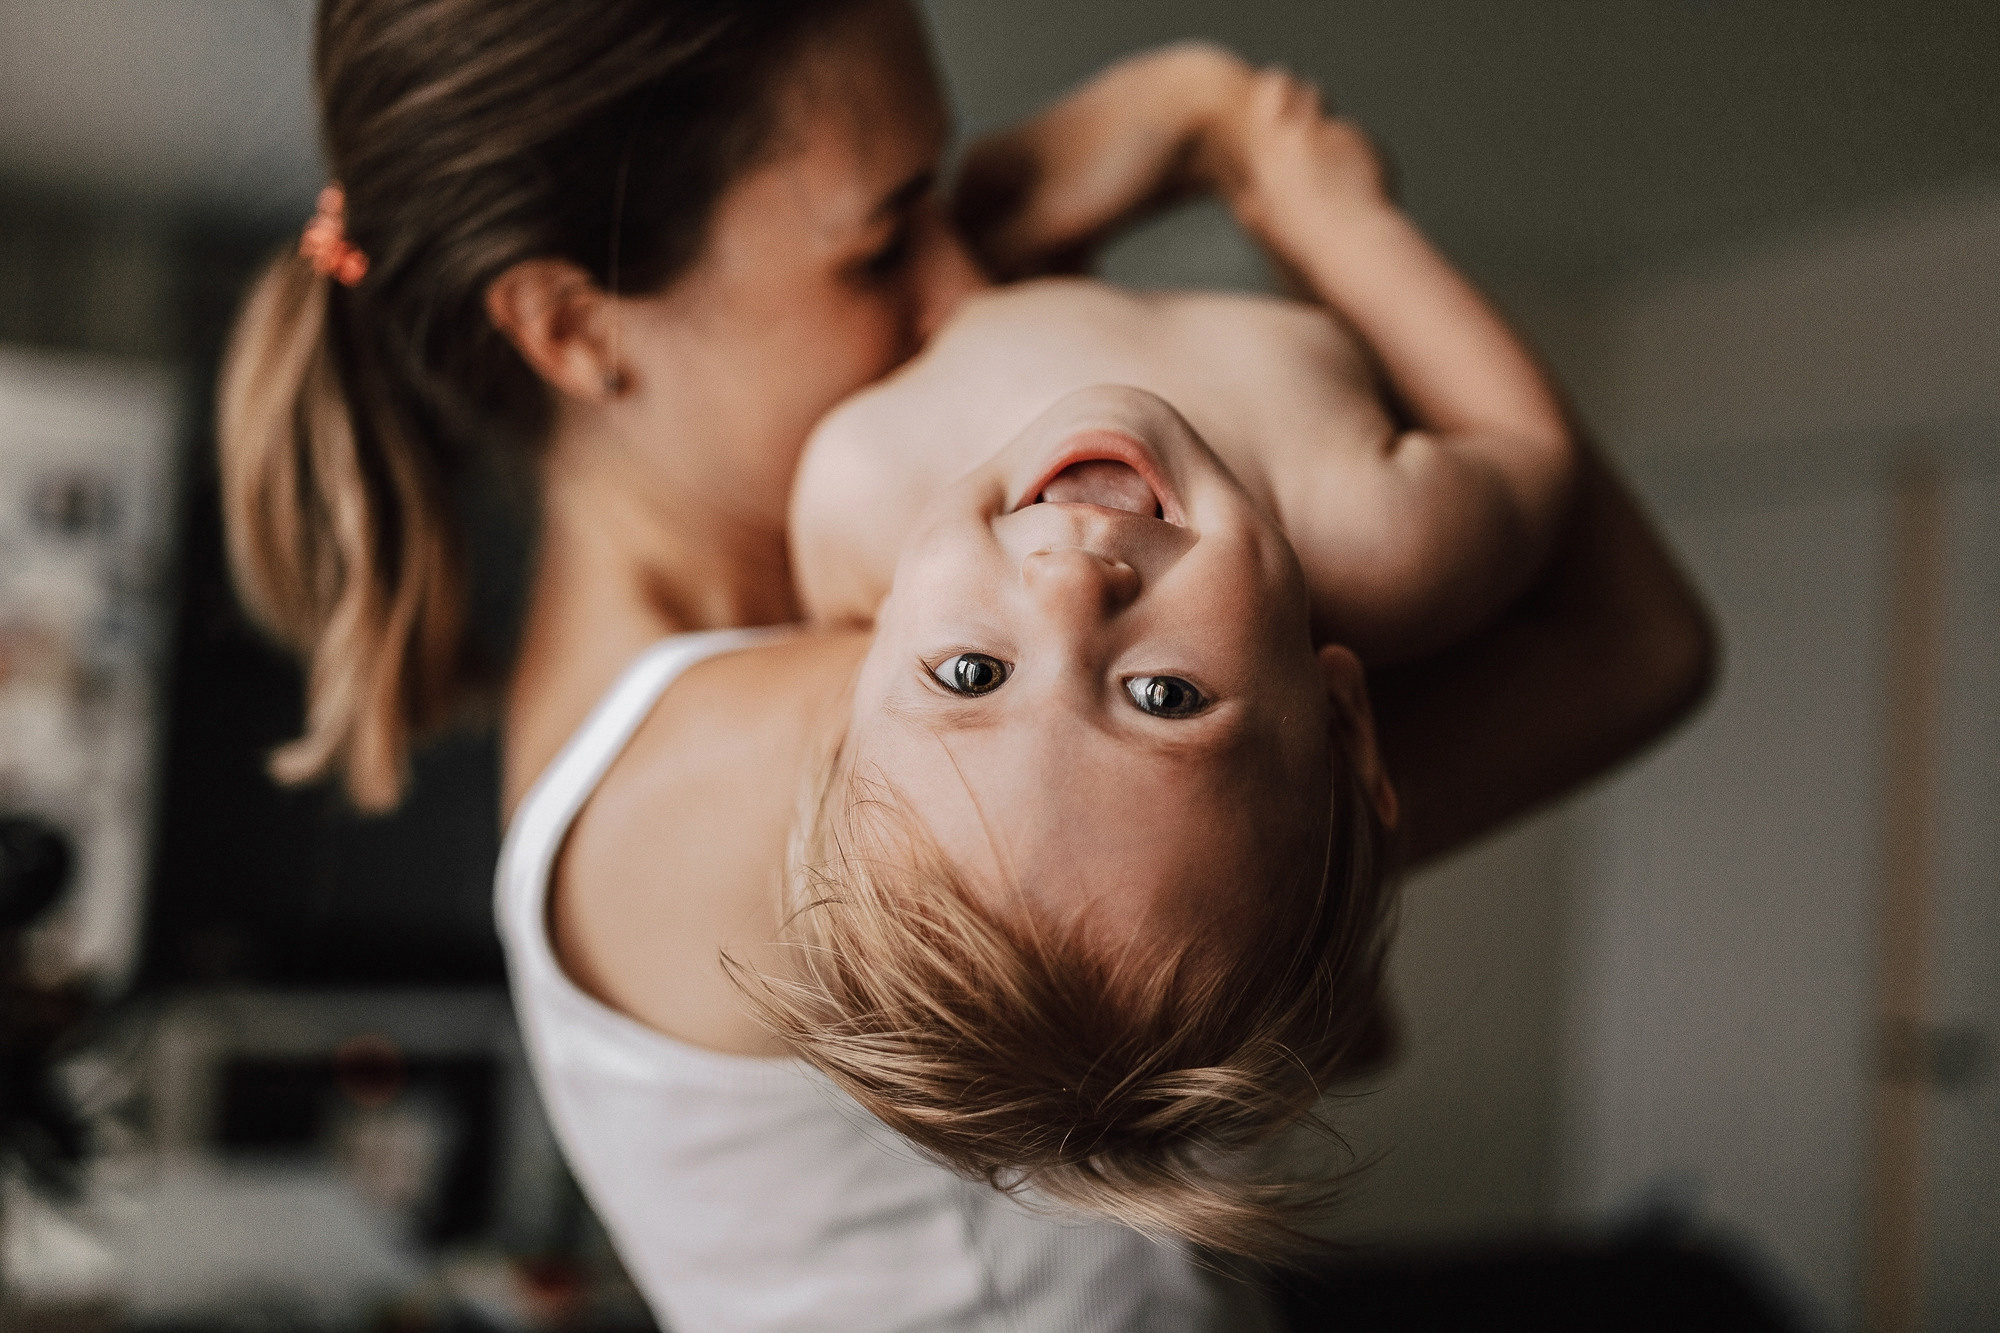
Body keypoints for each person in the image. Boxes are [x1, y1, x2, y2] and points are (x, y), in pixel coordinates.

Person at [215, 3, 1713, 1328]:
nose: (956, 279)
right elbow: (1620, 644)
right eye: (884, 233)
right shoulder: (811, 757)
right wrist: (1219, 143)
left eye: (948, 194)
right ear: (567, 323)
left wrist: (1066, 183)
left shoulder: (834, 668)